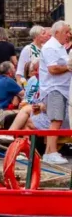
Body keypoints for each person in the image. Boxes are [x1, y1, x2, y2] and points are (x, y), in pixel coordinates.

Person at [37, 19, 72, 164]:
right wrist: (69, 67)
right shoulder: (51, 47)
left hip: (60, 89)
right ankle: (52, 152)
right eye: (66, 32)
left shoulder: (59, 46)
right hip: (54, 89)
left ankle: (47, 153)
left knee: (57, 120)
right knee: (56, 120)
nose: (69, 35)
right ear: (57, 32)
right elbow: (52, 69)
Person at [8, 59, 46, 132]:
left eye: (36, 70)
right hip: (34, 109)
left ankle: (11, 136)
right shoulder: (30, 80)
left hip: (45, 114)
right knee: (13, 118)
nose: (34, 73)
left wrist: (34, 105)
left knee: (24, 118)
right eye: (32, 70)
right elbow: (26, 95)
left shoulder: (48, 83)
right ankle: (17, 141)